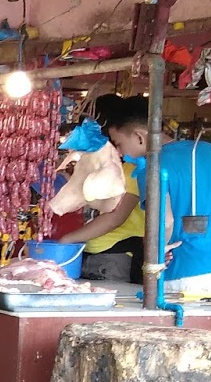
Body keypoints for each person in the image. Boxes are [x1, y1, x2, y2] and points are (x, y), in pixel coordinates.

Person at [104, 99, 211, 303]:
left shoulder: (152, 165)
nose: (119, 153)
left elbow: (165, 222)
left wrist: (155, 256)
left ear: (139, 136)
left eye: (119, 144)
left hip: (188, 272)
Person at [58, 95, 145, 283]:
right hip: (97, 250)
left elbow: (115, 217)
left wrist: (67, 240)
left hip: (116, 255)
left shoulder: (134, 170)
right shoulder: (120, 167)